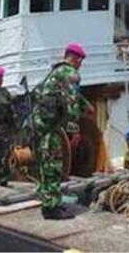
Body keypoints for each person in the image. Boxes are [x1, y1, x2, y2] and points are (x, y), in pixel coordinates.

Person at [31, 43, 92, 220]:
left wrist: (86, 106)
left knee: (45, 163)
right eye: (80, 60)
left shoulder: (55, 73)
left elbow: (70, 97)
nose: (80, 64)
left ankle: (49, 200)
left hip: (41, 125)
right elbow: (70, 103)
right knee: (53, 165)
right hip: (51, 127)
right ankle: (51, 208)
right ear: (74, 57)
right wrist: (74, 130)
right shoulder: (70, 74)